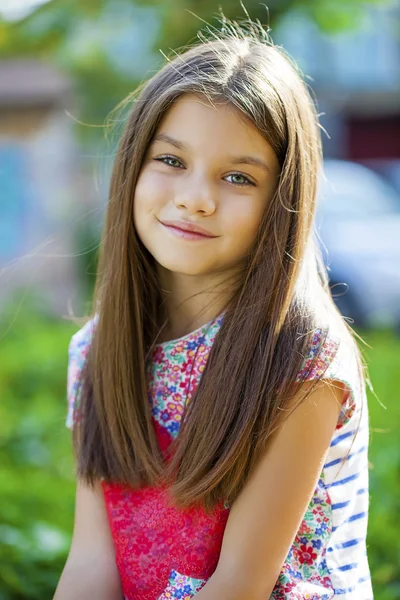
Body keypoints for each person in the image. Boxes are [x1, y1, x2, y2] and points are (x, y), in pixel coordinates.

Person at [54, 15, 372, 600]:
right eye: (171, 161)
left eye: (237, 177)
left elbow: (239, 586)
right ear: (132, 167)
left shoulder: (302, 359)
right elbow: (91, 565)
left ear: (282, 200)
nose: (196, 199)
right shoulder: (97, 352)